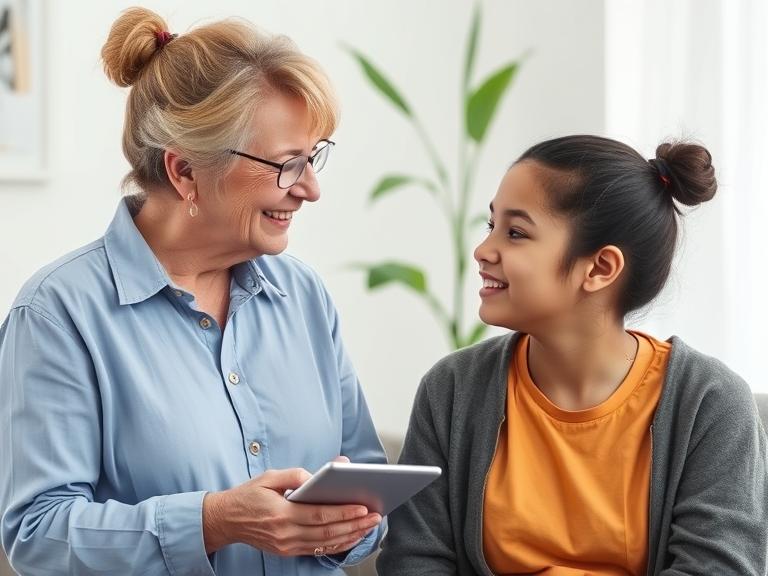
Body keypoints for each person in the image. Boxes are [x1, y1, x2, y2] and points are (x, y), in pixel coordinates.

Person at [0, 7, 385, 575]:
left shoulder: (303, 296)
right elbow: (37, 534)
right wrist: (212, 521)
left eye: (313, 157)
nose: (310, 188)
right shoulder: (60, 315)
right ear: (184, 173)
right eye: (286, 165)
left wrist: (344, 529)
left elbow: (368, 484)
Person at [377, 135, 768, 575]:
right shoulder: (452, 389)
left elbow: (718, 568)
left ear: (600, 268)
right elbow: (413, 561)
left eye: (516, 233)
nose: (483, 251)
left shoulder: (710, 404)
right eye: (492, 226)